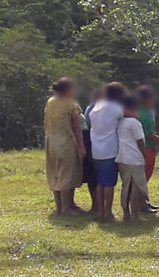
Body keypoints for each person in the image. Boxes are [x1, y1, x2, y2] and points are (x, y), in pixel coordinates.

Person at [44, 78, 86, 216]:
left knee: (55, 173)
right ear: (68, 90)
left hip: (52, 142)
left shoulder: (50, 102)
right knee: (67, 174)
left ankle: (61, 205)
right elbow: (77, 128)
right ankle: (66, 208)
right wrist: (81, 147)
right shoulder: (71, 105)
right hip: (67, 143)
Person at [89, 81, 126, 220]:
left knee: (100, 182)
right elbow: (124, 118)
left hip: (96, 149)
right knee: (109, 183)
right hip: (110, 149)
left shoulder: (96, 106)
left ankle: (100, 210)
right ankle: (108, 212)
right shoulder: (116, 108)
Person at [116, 94, 150, 221]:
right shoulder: (135, 123)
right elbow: (140, 141)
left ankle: (126, 213)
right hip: (135, 158)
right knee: (137, 185)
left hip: (122, 157)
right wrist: (145, 155)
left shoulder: (120, 122)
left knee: (126, 185)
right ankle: (135, 214)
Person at [82, 88, 103, 213]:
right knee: (94, 177)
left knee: (93, 177)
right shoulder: (94, 109)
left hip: (91, 144)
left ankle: (96, 204)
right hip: (92, 145)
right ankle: (96, 204)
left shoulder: (90, 108)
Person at [137, 85, 159, 182]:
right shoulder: (146, 115)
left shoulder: (135, 110)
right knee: (143, 180)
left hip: (134, 150)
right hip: (146, 150)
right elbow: (149, 136)